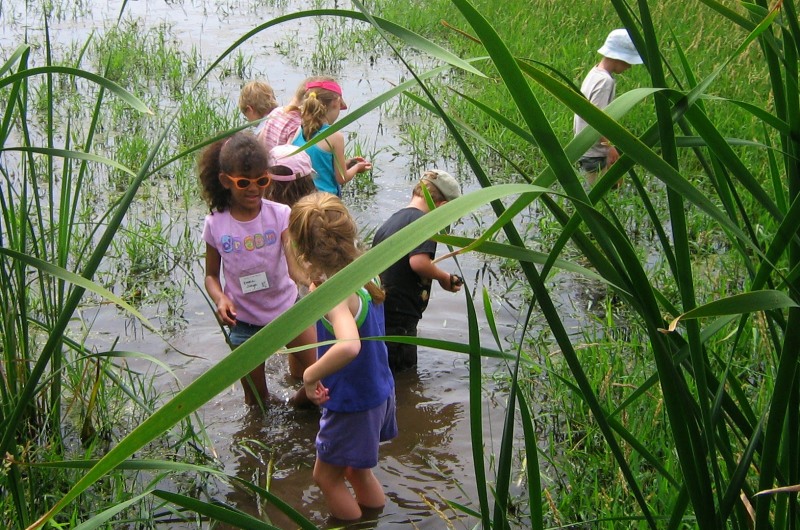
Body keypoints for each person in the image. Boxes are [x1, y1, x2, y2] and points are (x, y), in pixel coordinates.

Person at [288, 192, 397, 522]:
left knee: (326, 478)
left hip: (351, 404)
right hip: (378, 393)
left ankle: (356, 526)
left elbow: (349, 345)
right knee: (356, 472)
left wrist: (309, 376)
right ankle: (375, 520)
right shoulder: (366, 273)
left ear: (303, 250)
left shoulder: (335, 295)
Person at [198, 131, 315, 409]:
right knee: (256, 401)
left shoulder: (279, 215)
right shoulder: (215, 224)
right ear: (226, 181)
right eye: (244, 183)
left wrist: (309, 281)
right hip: (244, 322)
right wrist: (220, 298)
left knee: (318, 376)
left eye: (261, 181)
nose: (254, 189)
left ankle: (297, 411)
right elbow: (211, 275)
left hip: (288, 310)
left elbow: (292, 263)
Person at [371, 169, 463, 374]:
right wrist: (444, 277)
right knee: (404, 372)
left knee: (385, 368)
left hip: (382, 310)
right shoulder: (424, 223)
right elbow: (418, 262)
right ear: (444, 206)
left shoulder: (392, 222)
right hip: (401, 317)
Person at [573, 28, 643, 184]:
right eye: (628, 62)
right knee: (603, 195)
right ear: (619, 58)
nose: (629, 67)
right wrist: (609, 147)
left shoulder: (594, 72)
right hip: (595, 152)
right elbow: (597, 119)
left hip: (585, 148)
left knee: (615, 187)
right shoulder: (605, 81)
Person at [291, 79, 372, 196]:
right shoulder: (335, 137)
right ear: (336, 102)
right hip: (326, 201)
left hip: (303, 199)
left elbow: (315, 162)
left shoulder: (298, 130)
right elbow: (342, 178)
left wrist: (346, 163)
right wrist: (357, 168)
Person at [260, 75, 328, 153]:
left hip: (268, 162)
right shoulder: (297, 125)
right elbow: (292, 155)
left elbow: (260, 141)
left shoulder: (276, 112)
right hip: (281, 164)